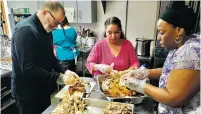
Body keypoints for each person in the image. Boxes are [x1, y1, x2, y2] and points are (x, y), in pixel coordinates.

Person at [121, 1, 200, 114]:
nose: (158, 37)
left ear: (179, 31)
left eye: (162, 33)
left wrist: (139, 85)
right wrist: (146, 73)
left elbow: (173, 98)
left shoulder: (190, 51)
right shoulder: (180, 44)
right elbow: (174, 72)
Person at [11, 1, 79, 114]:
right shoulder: (25, 30)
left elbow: (51, 58)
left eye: (59, 23)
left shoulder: (46, 30)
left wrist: (65, 71)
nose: (57, 26)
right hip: (27, 94)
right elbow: (27, 67)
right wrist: (59, 77)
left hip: (42, 89)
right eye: (56, 21)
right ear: (45, 13)